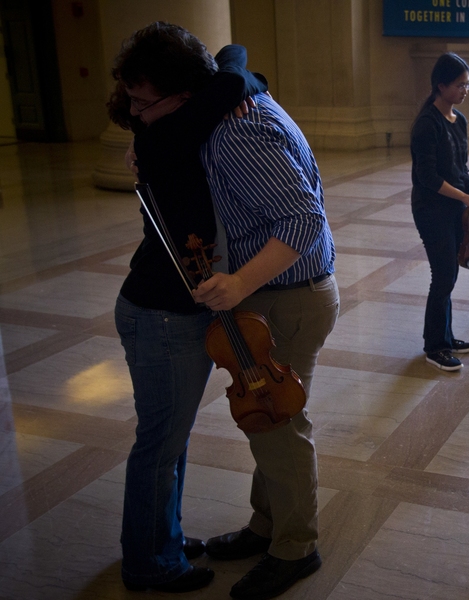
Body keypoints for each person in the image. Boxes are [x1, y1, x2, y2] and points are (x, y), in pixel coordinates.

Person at [106, 22, 266, 593]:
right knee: (160, 442)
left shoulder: (183, 118)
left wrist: (236, 85)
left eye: (147, 101)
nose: (137, 113)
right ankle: (149, 562)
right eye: (133, 101)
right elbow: (238, 69)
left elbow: (233, 64)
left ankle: (161, 538)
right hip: (162, 315)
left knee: (171, 438)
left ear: (184, 93)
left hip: (162, 310)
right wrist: (237, 88)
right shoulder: (171, 130)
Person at [192, 64, 340, 600]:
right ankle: (266, 525)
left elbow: (304, 220)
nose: (138, 114)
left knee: (279, 425)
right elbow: (236, 53)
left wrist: (237, 284)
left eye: (142, 102)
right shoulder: (235, 96)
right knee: (267, 420)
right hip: (292, 295)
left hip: (287, 299)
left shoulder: (234, 130)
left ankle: (296, 547)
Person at [409, 52, 469, 371]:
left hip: (454, 205)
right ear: (441, 86)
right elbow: (427, 177)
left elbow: (457, 168)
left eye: (468, 84)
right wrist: (464, 197)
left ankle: (446, 335)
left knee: (450, 275)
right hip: (431, 208)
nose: (465, 90)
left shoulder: (460, 120)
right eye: (459, 84)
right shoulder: (427, 123)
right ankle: (434, 346)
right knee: (443, 275)